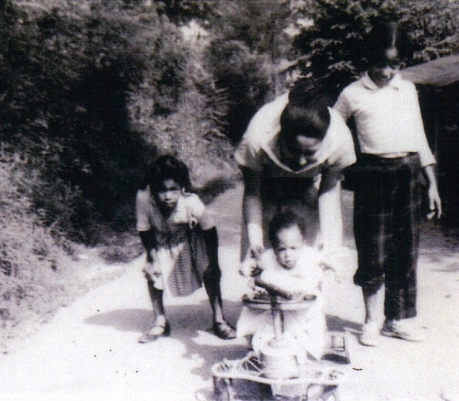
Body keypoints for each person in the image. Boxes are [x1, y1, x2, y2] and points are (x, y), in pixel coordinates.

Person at [333, 21, 442, 346]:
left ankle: (399, 320)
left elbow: (419, 136)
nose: (386, 71)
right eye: (381, 63)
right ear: (368, 59)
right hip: (372, 175)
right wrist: (336, 170)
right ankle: (372, 320)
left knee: (406, 250)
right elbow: (333, 133)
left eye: (394, 65)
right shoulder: (352, 94)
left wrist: (431, 182)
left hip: (408, 173)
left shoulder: (406, 89)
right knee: (373, 249)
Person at [235, 81, 357, 265]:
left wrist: (330, 245)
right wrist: (256, 243)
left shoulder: (340, 140)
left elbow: (329, 191)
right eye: (293, 151)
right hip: (267, 189)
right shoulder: (258, 136)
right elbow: (252, 194)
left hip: (308, 189)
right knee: (263, 266)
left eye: (309, 153)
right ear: (282, 138)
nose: (301, 161)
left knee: (309, 262)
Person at [135, 155, 236, 343]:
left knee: (210, 272)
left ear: (182, 188)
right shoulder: (143, 198)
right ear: (152, 189)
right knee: (153, 274)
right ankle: (160, 321)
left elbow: (209, 230)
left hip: (189, 238)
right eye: (161, 191)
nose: (167, 196)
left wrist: (214, 262)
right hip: (161, 239)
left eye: (173, 190)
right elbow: (144, 229)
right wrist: (151, 258)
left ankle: (220, 320)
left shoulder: (191, 201)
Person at [236, 210, 329, 361]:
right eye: (281, 249)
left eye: (294, 248)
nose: (287, 255)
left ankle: (302, 353)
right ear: (273, 248)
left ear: (303, 244)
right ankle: (263, 350)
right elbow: (255, 264)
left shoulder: (308, 255)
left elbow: (323, 261)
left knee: (308, 327)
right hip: (276, 303)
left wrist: (335, 267)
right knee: (263, 324)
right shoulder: (268, 258)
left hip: (301, 303)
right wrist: (246, 265)